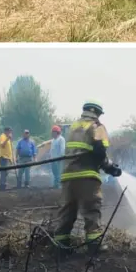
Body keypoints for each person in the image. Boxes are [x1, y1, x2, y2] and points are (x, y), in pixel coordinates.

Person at [53, 101, 122, 252]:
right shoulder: (97, 126)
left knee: (67, 212)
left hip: (68, 176)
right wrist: (110, 167)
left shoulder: (73, 127)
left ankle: (61, 246)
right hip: (87, 176)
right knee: (91, 210)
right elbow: (99, 153)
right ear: (97, 113)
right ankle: (94, 245)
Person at [0, 126, 13, 191]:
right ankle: (3, 185)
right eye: (9, 131)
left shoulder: (7, 137)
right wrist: (8, 138)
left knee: (6, 172)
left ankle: (3, 184)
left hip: (7, 158)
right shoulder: (2, 136)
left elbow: (9, 149)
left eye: (11, 131)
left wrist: (10, 159)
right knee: (4, 172)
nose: (10, 133)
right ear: (6, 131)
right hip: (3, 157)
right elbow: (2, 145)